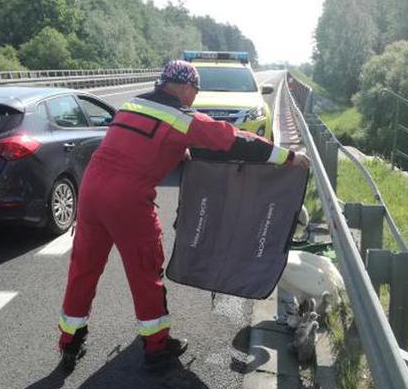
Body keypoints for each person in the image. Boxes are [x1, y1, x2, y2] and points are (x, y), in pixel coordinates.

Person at [57, 59, 310, 371]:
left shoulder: (130, 106)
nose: (194, 97)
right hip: (127, 200)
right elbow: (232, 140)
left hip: (91, 191)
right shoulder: (179, 117)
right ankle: (156, 346)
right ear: (184, 87)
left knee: (83, 268)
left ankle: (69, 342)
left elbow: (139, 146)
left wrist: (179, 150)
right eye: (195, 90)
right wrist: (287, 157)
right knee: (145, 272)